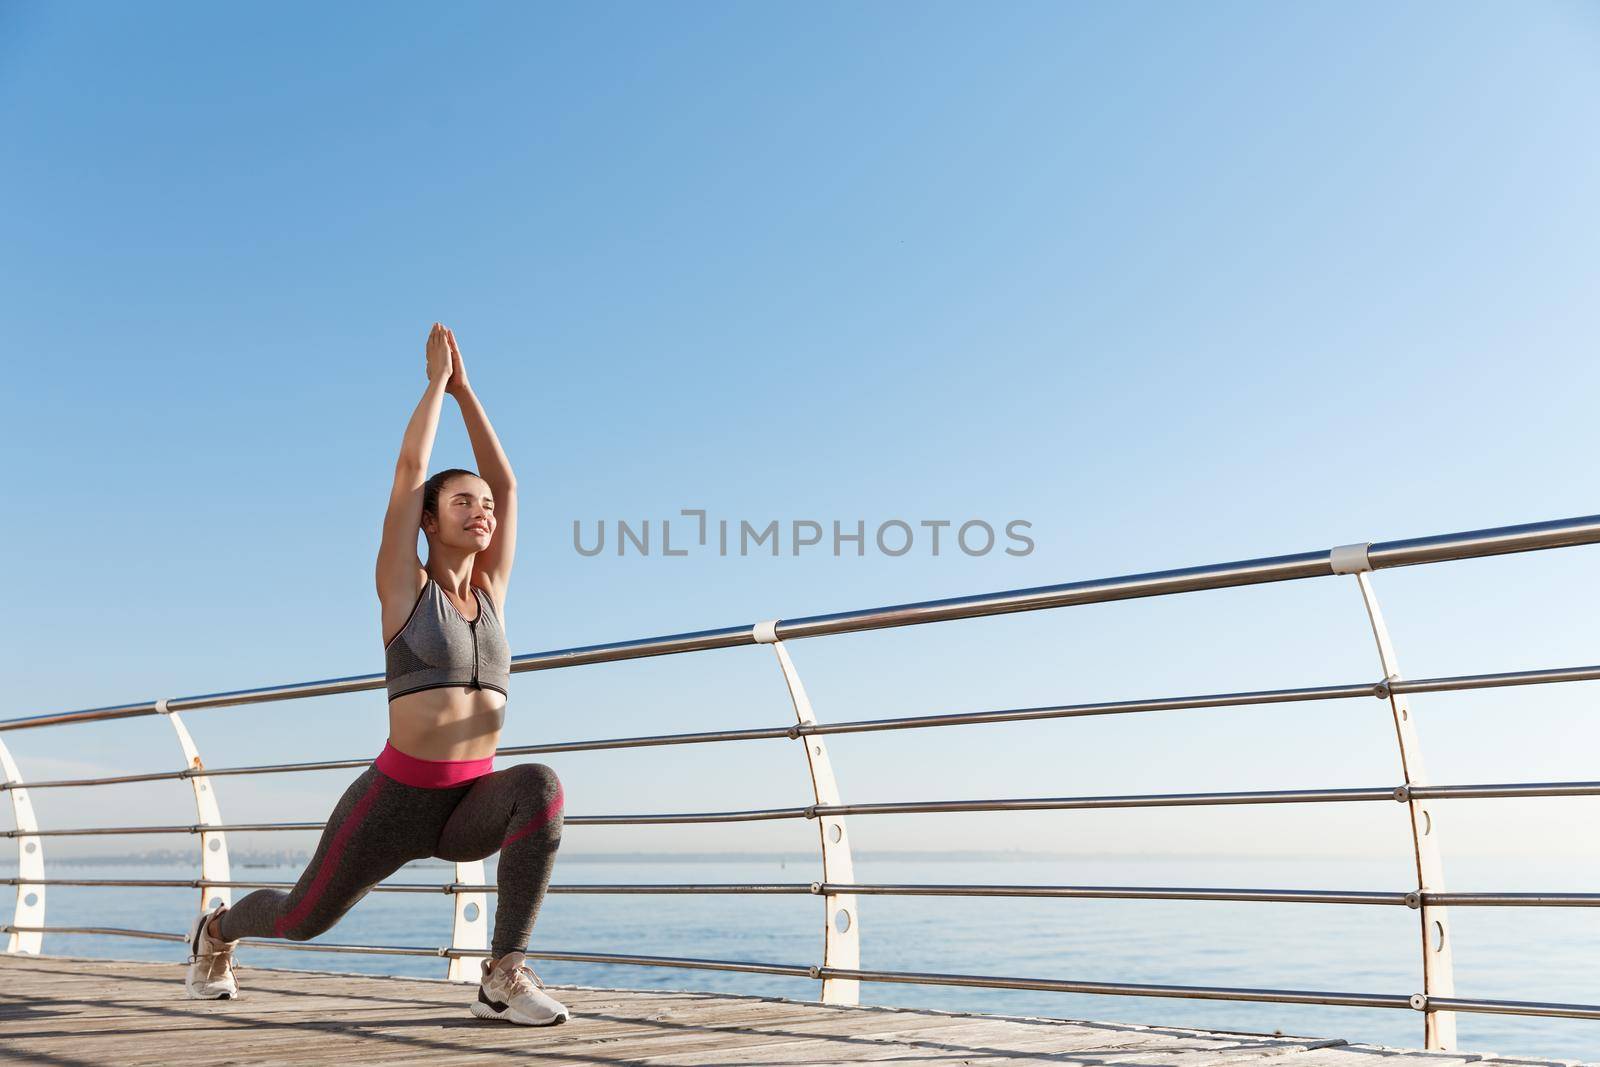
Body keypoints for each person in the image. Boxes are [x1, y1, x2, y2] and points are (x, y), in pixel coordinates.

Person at [183, 322, 569, 1026]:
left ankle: (502, 974)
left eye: (483, 506)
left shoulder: (493, 593)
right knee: (302, 916)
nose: (481, 511)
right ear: (427, 519)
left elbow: (509, 484)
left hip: (468, 803)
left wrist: (468, 391)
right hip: (392, 802)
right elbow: (405, 472)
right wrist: (433, 388)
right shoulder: (403, 588)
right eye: (462, 501)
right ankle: (215, 931)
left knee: (540, 786)